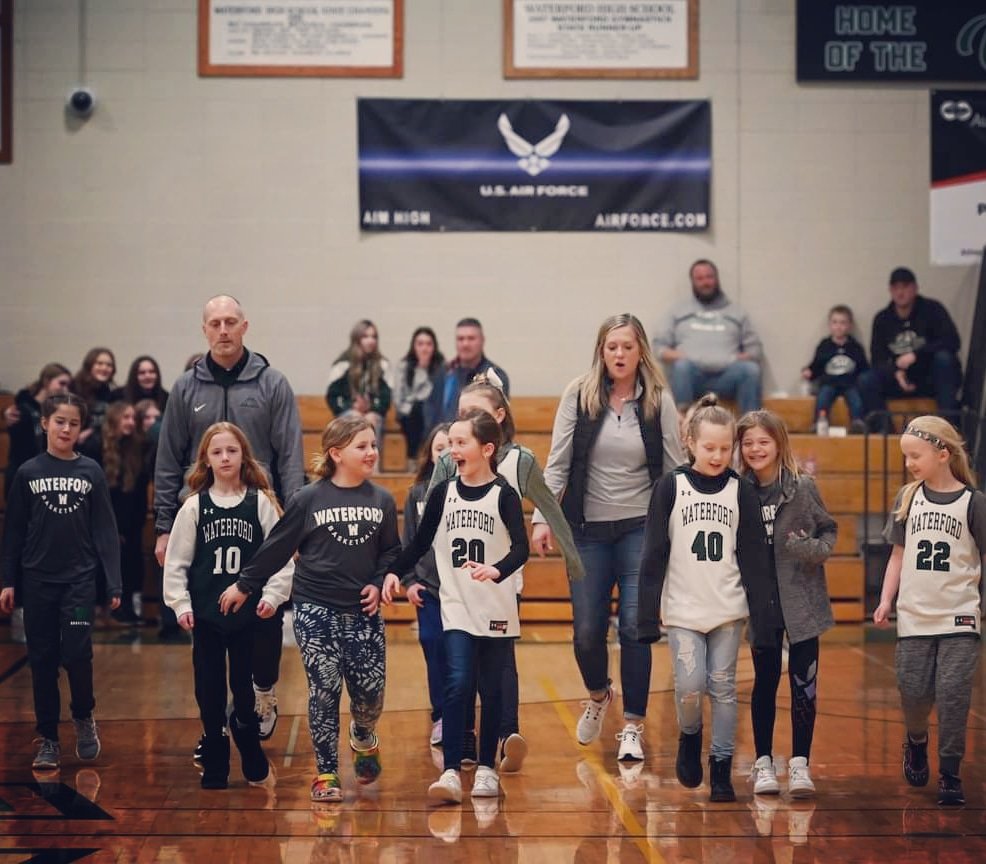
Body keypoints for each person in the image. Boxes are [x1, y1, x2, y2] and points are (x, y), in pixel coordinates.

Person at [219, 416, 400, 803]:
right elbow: (277, 548)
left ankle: (364, 732)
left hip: (364, 612)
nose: (371, 452)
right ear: (336, 453)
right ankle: (327, 773)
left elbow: (390, 551)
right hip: (316, 609)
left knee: (370, 694)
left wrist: (379, 579)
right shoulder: (308, 499)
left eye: (373, 445)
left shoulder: (382, 500)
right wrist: (244, 585)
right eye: (362, 446)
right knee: (324, 690)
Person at [533, 313, 685, 763]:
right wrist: (544, 519)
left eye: (628, 346)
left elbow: (676, 471)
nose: (619, 354)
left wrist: (679, 528)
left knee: (639, 629)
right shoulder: (578, 395)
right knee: (586, 633)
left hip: (641, 527)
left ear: (641, 353)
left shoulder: (660, 401)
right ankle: (599, 695)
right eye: (611, 346)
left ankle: (633, 725)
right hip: (586, 531)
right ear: (601, 350)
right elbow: (557, 463)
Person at [154, 295, 304, 741]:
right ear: (204, 330)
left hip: (259, 518)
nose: (223, 329)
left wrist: (295, 526)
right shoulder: (185, 388)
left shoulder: (272, 383)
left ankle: (262, 688)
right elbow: (167, 460)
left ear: (244, 326)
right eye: (215, 323)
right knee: (208, 631)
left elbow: (291, 458)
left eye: (230, 322)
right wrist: (165, 526)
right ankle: (213, 727)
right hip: (202, 522)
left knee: (264, 616)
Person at [428, 372, 585, 773]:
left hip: (500, 578)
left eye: (475, 413)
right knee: (461, 667)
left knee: (496, 662)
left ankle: (503, 734)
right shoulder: (450, 461)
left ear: (499, 416)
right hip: (456, 584)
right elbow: (427, 518)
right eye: (461, 413)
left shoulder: (520, 460)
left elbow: (550, 506)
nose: (464, 420)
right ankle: (463, 738)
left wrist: (572, 557)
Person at [382, 410, 530, 804]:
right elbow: (418, 543)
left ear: (486, 449)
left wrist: (495, 570)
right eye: (450, 443)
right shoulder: (441, 493)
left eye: (461, 442)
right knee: (458, 682)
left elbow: (522, 548)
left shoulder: (504, 495)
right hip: (457, 605)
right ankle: (449, 771)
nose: (452, 450)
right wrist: (395, 572)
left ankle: (485, 769)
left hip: (496, 606)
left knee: (491, 687)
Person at [636, 395, 778, 802]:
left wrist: (763, 621)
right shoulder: (671, 487)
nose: (717, 456)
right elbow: (652, 555)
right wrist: (645, 615)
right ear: (691, 443)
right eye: (709, 448)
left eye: (724, 449)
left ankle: (720, 767)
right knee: (690, 686)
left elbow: (754, 562)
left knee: (724, 687)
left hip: (727, 611)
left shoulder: (740, 492)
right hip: (682, 609)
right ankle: (689, 734)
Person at [163, 422, 293, 789]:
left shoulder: (262, 503)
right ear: (205, 458)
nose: (224, 457)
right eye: (217, 451)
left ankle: (249, 743)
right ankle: (216, 749)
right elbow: (177, 563)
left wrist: (271, 596)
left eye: (231, 451)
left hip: (249, 617)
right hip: (206, 615)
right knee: (208, 687)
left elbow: (282, 558)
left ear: (243, 456)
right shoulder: (193, 507)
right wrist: (180, 603)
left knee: (244, 686)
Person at [0, 393, 121, 771]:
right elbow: (14, 532)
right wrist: (8, 580)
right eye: (59, 421)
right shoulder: (27, 472)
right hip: (37, 583)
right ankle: (48, 738)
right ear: (45, 424)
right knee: (42, 660)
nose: (66, 428)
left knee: (76, 653)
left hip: (79, 584)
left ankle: (83, 716)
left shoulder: (91, 472)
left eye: (73, 423)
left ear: (80, 428)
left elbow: (105, 530)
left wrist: (113, 583)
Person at [873, 416, 984, 807]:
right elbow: (897, 556)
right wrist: (886, 598)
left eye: (915, 456)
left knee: (953, 697)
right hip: (915, 617)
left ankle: (950, 773)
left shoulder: (974, 503)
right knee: (913, 693)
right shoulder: (908, 498)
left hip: (959, 617)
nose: (909, 464)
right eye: (905, 457)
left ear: (942, 454)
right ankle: (916, 739)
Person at [737, 409, 837, 797]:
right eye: (748, 443)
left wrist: (808, 548)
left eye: (763, 441)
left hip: (802, 605)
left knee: (803, 687)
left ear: (779, 444)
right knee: (763, 683)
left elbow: (828, 532)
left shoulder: (802, 488)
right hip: (762, 608)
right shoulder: (739, 491)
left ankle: (799, 765)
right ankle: (763, 763)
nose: (756, 449)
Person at [859, 267, 963, 430]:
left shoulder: (932, 309)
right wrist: (895, 372)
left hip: (929, 376)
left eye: (905, 287)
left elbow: (952, 341)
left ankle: (948, 428)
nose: (900, 293)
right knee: (866, 379)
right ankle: (885, 431)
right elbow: (877, 358)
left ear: (915, 288)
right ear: (890, 291)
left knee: (945, 359)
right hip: (900, 379)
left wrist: (916, 355)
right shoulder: (882, 318)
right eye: (896, 288)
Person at [654, 260, 763, 414]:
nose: (705, 282)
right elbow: (659, 348)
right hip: (692, 375)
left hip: (728, 375)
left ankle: (752, 425)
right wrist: (681, 356)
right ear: (692, 282)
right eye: (700, 278)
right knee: (681, 367)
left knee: (751, 370)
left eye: (709, 277)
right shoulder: (678, 311)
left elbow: (755, 349)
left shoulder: (736, 312)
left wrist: (737, 358)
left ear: (716, 279)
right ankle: (682, 424)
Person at [400, 422, 452, 748]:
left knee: (459, 655)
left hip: (463, 590)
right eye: (439, 448)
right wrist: (408, 581)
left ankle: (462, 716)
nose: (446, 453)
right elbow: (408, 541)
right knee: (433, 647)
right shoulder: (417, 494)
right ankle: (441, 717)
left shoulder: (471, 491)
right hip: (427, 589)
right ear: (430, 456)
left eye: (451, 447)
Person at [81, 401, 154, 625]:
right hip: (100, 521)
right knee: (97, 568)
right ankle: (89, 616)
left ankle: (124, 612)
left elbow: (138, 491)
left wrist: (132, 524)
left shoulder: (136, 447)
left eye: (133, 418)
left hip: (129, 521)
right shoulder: (95, 445)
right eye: (126, 418)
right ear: (113, 420)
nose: (131, 423)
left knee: (131, 565)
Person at [3, 362, 72, 496]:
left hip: (46, 478)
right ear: (46, 381)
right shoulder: (22, 409)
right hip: (23, 477)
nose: (66, 389)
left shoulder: (56, 411)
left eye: (68, 385)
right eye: (61, 383)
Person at [801, 305, 869, 432]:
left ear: (849, 325)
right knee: (822, 398)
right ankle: (819, 422)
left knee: (856, 399)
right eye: (835, 322)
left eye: (843, 322)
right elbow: (816, 365)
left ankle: (857, 422)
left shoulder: (855, 347)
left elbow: (864, 367)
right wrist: (809, 371)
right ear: (830, 325)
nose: (838, 326)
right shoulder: (824, 345)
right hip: (829, 383)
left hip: (850, 383)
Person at [326, 319, 392, 448]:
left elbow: (386, 398)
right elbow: (332, 397)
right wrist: (351, 406)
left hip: (372, 413)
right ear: (356, 339)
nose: (371, 340)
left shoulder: (382, 365)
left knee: (371, 420)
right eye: (366, 336)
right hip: (348, 412)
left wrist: (371, 407)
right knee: (354, 419)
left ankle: (373, 465)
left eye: (374, 337)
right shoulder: (343, 364)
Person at [393, 326, 446, 467]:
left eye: (428, 344)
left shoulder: (440, 367)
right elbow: (399, 399)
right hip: (408, 413)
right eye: (420, 344)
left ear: (434, 347)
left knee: (430, 412)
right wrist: (421, 370)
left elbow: (438, 396)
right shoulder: (404, 366)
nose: (424, 348)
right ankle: (413, 460)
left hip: (433, 412)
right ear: (414, 346)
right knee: (417, 411)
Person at [440, 318, 510, 421]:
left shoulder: (494, 375)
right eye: (460, 339)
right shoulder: (445, 373)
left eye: (471, 338)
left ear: (482, 340)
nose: (465, 344)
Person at [71, 347, 117, 437]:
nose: (104, 368)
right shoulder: (74, 388)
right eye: (99, 363)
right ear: (89, 366)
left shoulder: (109, 391)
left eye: (109, 365)